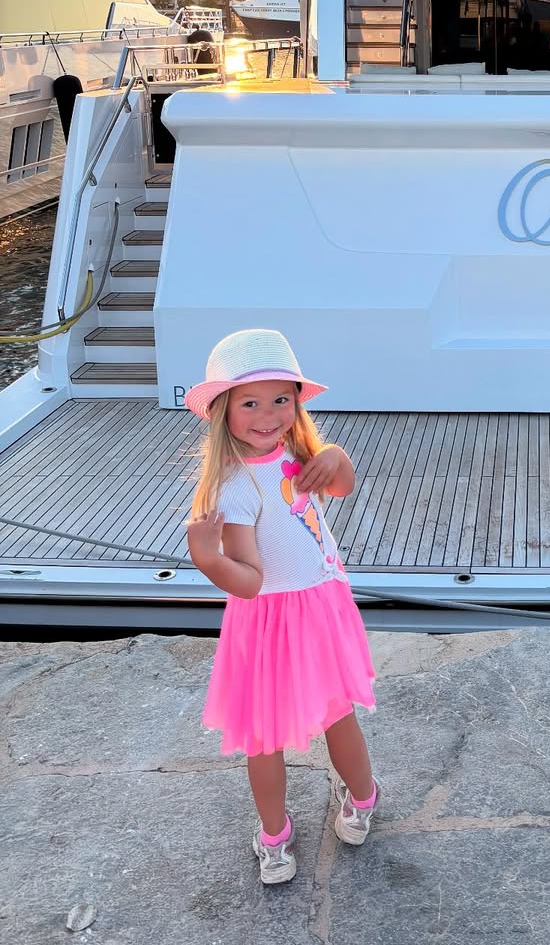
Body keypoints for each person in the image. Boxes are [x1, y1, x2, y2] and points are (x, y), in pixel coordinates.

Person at [185, 328, 377, 885]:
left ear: (296, 402)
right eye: (250, 403)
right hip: (268, 618)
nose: (268, 415)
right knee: (264, 735)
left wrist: (335, 455)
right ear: (223, 410)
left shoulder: (297, 452)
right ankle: (279, 834)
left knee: (337, 713)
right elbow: (247, 582)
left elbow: (340, 487)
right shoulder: (234, 487)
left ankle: (359, 799)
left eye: (280, 400)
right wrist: (209, 560)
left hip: (319, 601)